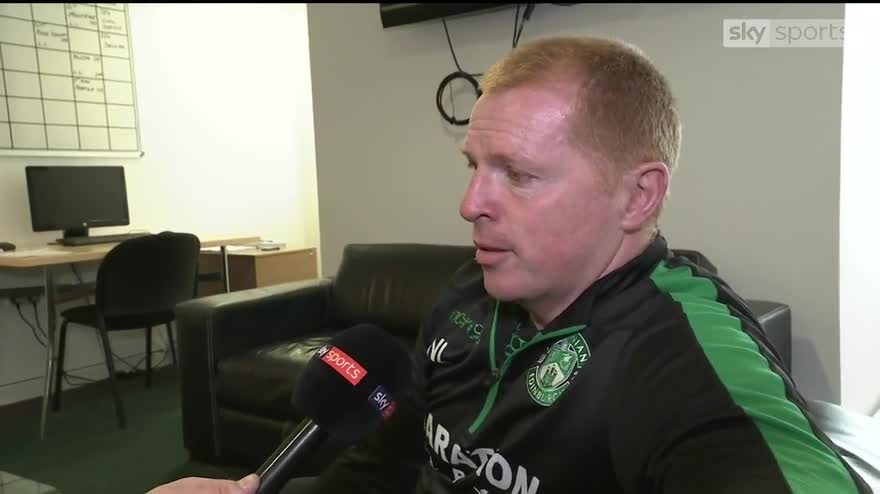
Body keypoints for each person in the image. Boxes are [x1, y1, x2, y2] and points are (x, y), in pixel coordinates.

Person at [148, 35, 871, 494]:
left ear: (638, 196)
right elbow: (391, 460)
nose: (470, 205)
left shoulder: (685, 358)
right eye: (474, 166)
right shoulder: (470, 291)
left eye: (518, 174)